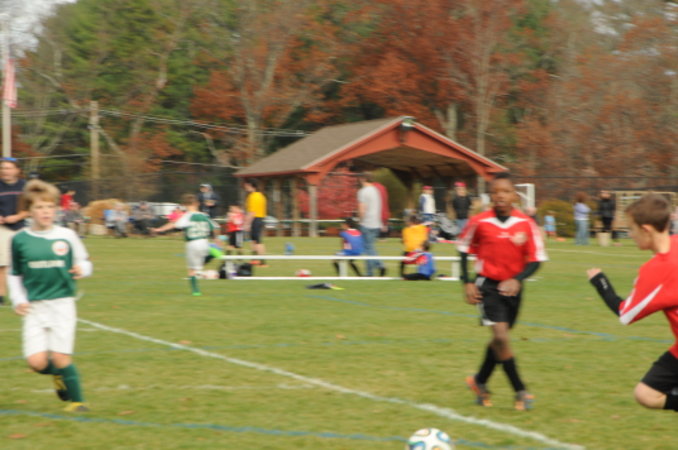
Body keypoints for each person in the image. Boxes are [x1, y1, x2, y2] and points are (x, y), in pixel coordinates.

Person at [457, 172, 548, 411]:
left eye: (505, 191)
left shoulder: (526, 223)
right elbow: (463, 250)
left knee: (500, 340)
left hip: (513, 289)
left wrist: (518, 279)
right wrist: (466, 282)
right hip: (487, 285)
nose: (500, 196)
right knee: (501, 337)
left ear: (514, 196)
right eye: (495, 192)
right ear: (490, 196)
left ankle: (479, 381)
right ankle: (521, 391)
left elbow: (536, 259)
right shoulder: (479, 221)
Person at [587, 194, 678, 413]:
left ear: (646, 230)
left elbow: (625, 314)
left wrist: (600, 282)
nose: (630, 234)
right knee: (645, 393)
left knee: (647, 395)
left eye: (631, 229)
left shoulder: (656, 269)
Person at [9, 179, 92, 412]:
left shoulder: (67, 235)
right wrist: (18, 299)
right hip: (35, 307)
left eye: (49, 207)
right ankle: (60, 376)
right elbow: (14, 274)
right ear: (29, 211)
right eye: (39, 207)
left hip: (62, 303)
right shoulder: (19, 239)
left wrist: (82, 269)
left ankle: (78, 402)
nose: (45, 212)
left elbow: (86, 262)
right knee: (36, 362)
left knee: (60, 357)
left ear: (56, 209)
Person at [151, 194, 218, 296]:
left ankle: (196, 291)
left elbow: (174, 224)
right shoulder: (204, 215)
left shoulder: (187, 216)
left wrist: (159, 229)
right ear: (197, 204)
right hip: (204, 242)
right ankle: (209, 256)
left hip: (192, 243)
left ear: (184, 204)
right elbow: (215, 227)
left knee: (191, 271)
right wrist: (216, 239)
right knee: (202, 261)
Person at [0, 157, 28, 305]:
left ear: (17, 170)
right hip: (2, 229)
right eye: (2, 168)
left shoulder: (25, 186)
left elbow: (31, 208)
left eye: (8, 168)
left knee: (24, 261)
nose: (5, 171)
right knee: (2, 264)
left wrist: (17, 217)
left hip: (21, 227)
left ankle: (25, 293)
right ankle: (1, 296)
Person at [357, 173, 386, 277]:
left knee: (368, 248)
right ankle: (370, 272)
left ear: (363, 179)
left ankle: (379, 265)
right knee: (370, 248)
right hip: (376, 223)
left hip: (367, 223)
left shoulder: (363, 191)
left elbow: (362, 209)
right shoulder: (376, 191)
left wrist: (360, 220)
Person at [243, 179, 267, 267]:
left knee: (257, 241)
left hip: (255, 219)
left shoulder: (253, 196)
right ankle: (254, 259)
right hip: (260, 218)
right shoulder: (261, 196)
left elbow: (252, 212)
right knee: (253, 240)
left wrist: (247, 223)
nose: (245, 187)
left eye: (246, 185)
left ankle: (262, 262)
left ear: (250, 185)